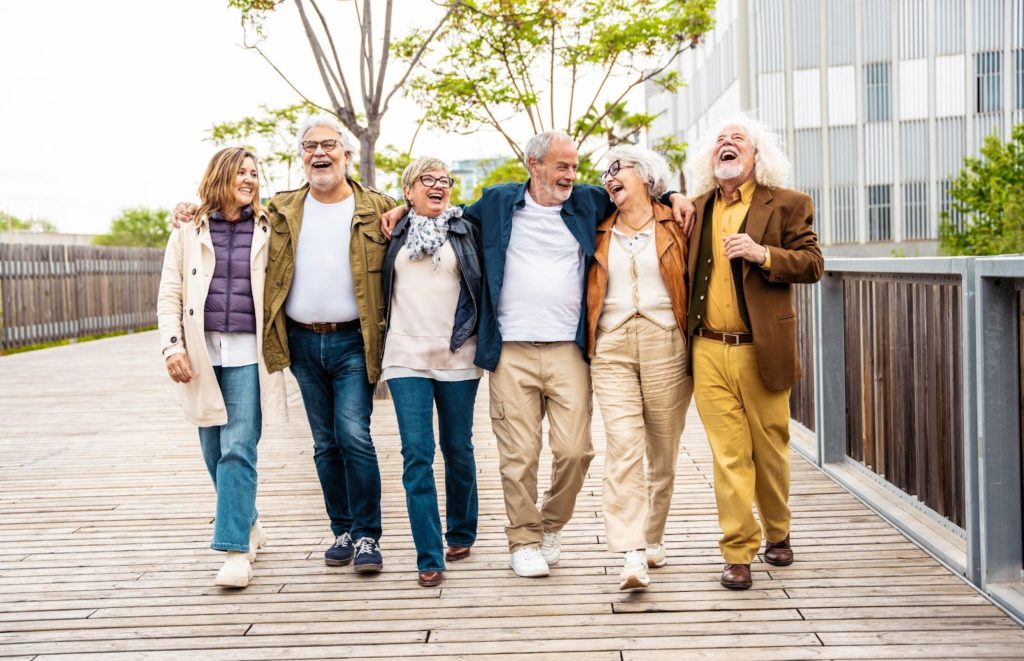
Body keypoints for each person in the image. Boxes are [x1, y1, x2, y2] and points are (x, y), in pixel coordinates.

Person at [382, 130, 694, 578]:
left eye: (574, 166)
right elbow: (442, 213)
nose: (571, 174)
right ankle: (523, 539)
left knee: (575, 451)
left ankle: (550, 524)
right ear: (534, 165)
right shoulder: (496, 203)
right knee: (519, 455)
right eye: (561, 166)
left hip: (569, 349)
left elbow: (642, 193)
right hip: (509, 349)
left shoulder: (589, 202)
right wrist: (401, 206)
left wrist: (676, 193)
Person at [175, 114, 396, 573]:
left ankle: (368, 536)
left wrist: (408, 209)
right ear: (301, 157)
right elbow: (224, 216)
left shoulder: (377, 207)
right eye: (311, 146)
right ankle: (342, 530)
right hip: (300, 343)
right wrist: (185, 210)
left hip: (354, 340)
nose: (320, 153)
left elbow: (419, 209)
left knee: (353, 434)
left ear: (347, 154)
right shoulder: (278, 211)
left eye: (330, 145)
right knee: (323, 443)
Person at [683, 114, 824, 590]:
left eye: (737, 139)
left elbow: (813, 264)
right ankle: (737, 551)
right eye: (720, 140)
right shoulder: (697, 208)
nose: (727, 144)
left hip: (762, 347)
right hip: (707, 349)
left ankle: (778, 532)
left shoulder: (788, 203)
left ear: (756, 154)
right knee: (728, 456)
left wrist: (763, 254)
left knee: (770, 451)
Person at [157, 147, 287, 588]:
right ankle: (248, 520)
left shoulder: (272, 227)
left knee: (238, 448)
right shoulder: (189, 230)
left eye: (254, 173)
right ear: (220, 176)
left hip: (250, 355)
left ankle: (234, 551)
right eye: (241, 173)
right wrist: (172, 346)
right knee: (213, 452)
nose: (250, 179)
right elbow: (170, 292)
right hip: (200, 355)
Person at [586, 146, 693, 591]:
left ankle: (652, 537)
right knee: (624, 446)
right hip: (610, 345)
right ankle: (632, 553)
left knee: (662, 452)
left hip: (665, 339)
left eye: (618, 168)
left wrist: (676, 196)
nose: (609, 177)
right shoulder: (595, 224)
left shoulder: (680, 221)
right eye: (605, 172)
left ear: (644, 177)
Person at [380, 157, 483, 588]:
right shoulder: (388, 230)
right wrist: (401, 211)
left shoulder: (466, 227)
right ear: (408, 190)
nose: (439, 186)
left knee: (457, 447)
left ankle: (460, 531)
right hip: (405, 355)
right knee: (417, 453)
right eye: (428, 180)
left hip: (458, 353)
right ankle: (428, 554)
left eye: (445, 181)